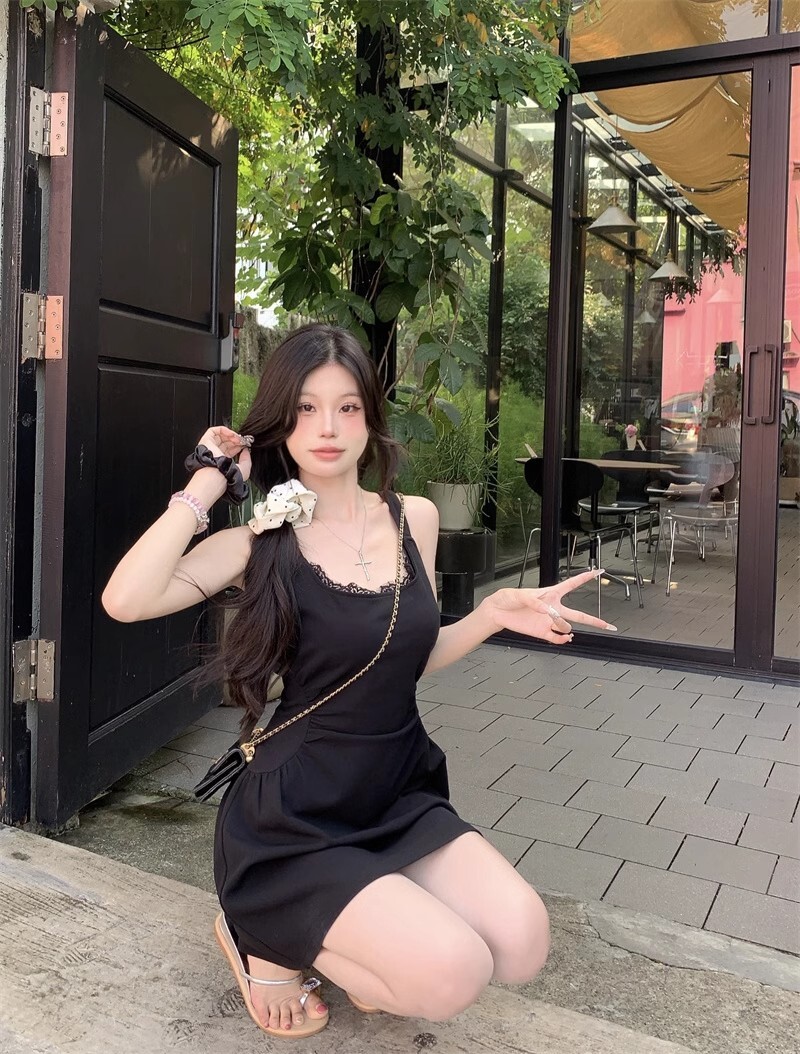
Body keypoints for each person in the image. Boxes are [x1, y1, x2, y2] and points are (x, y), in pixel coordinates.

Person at [102, 324, 617, 1040]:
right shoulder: (259, 544)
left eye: (346, 407)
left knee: (523, 943)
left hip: (395, 789)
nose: (327, 428)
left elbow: (403, 658)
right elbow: (125, 600)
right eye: (305, 408)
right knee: (451, 974)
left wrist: (493, 613)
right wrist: (205, 485)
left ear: (371, 418)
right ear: (280, 421)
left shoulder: (415, 519)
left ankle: (364, 935)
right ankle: (261, 938)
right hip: (296, 813)